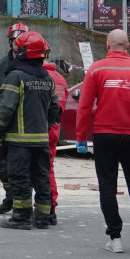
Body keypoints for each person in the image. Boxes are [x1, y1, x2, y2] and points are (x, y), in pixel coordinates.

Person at [75, 28, 130, 253]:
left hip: (104, 135)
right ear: (128, 46)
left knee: (107, 186)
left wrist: (81, 137)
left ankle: (115, 238)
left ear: (107, 45)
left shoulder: (97, 69)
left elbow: (84, 107)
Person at [0, 30, 61, 230]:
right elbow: (54, 109)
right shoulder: (47, 78)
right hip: (41, 141)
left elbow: (6, 108)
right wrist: (44, 129)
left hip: (19, 142)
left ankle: (21, 218)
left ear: (23, 52)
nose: (14, 50)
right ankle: (42, 218)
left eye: (17, 48)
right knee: (41, 179)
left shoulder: (16, 76)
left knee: (20, 179)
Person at [0, 21, 29, 215]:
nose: (17, 45)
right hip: (5, 121)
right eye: (15, 41)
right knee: (0, 163)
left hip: (26, 123)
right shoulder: (1, 65)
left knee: (25, 167)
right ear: (10, 42)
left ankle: (29, 205)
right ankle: (11, 196)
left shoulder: (32, 64)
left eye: (21, 41)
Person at [43, 49, 69, 226]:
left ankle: (43, 207)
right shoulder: (60, 79)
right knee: (48, 168)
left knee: (37, 170)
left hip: (38, 128)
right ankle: (51, 206)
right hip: (54, 128)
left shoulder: (40, 76)